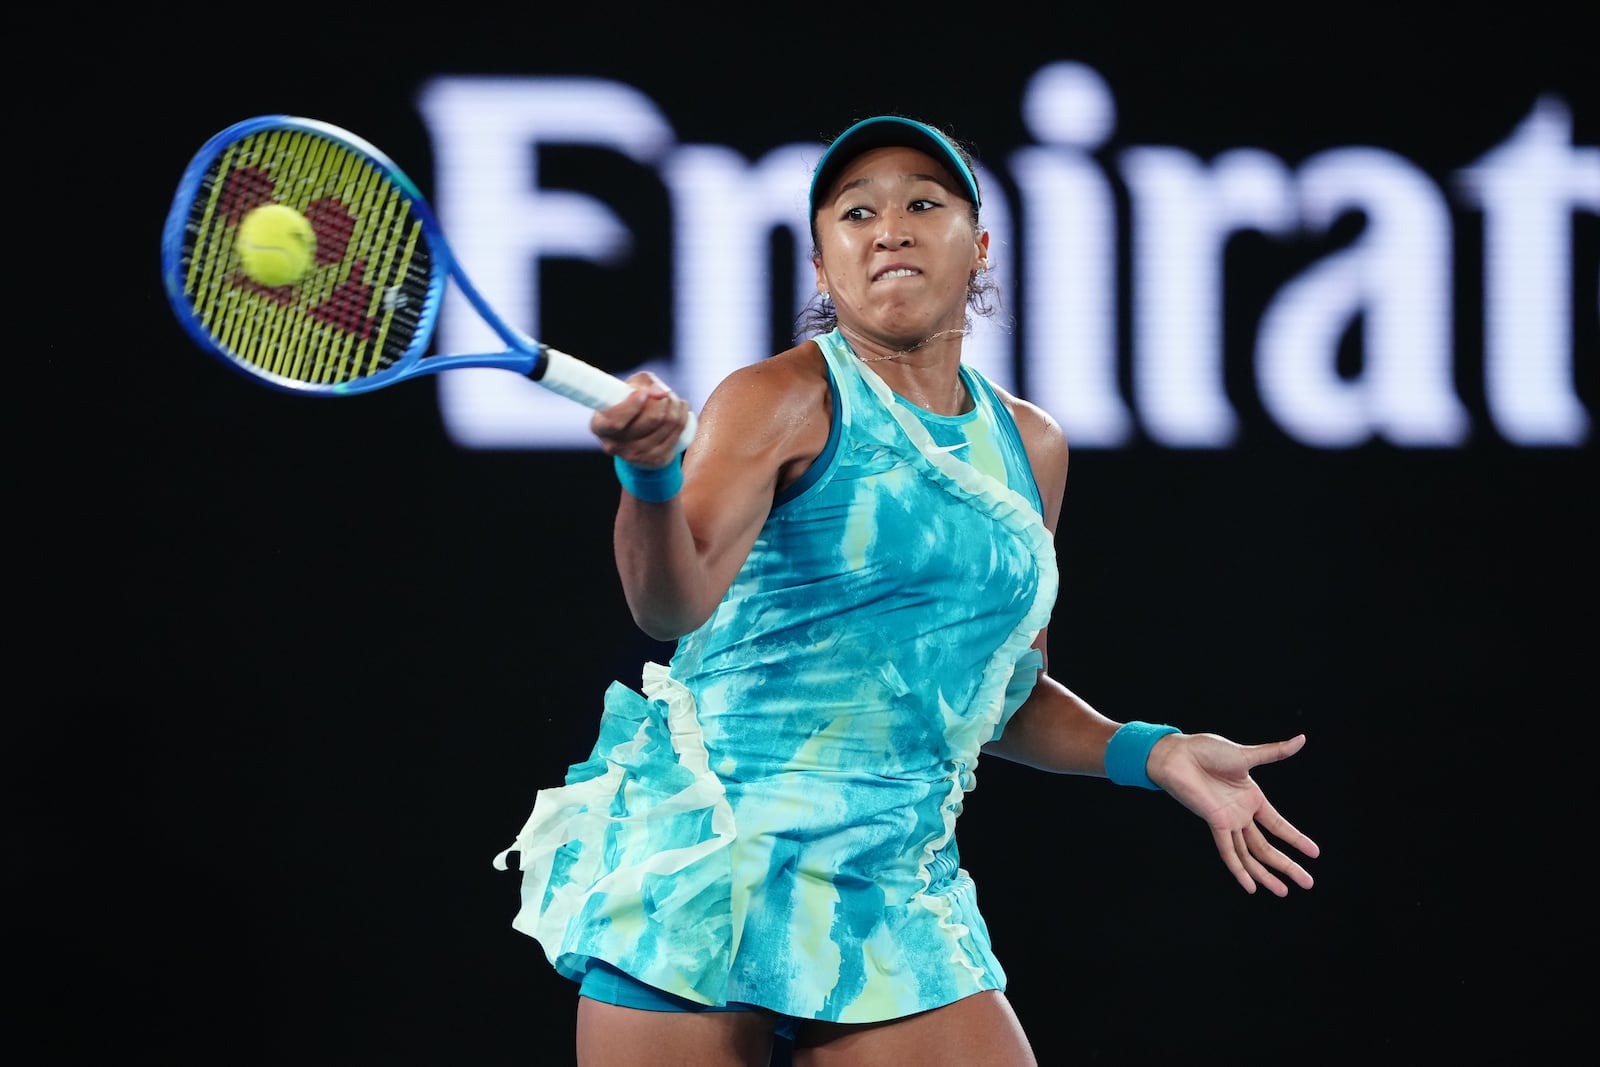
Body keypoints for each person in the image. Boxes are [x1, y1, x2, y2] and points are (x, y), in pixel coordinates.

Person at [493, 115, 1319, 1066]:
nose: (890, 227)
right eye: (856, 212)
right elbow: (669, 609)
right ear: (821, 263)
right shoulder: (777, 398)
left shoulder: (1030, 446)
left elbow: (997, 696)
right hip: (707, 866)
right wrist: (648, 479)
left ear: (980, 246)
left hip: (887, 884)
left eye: (924, 203)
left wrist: (1152, 751)